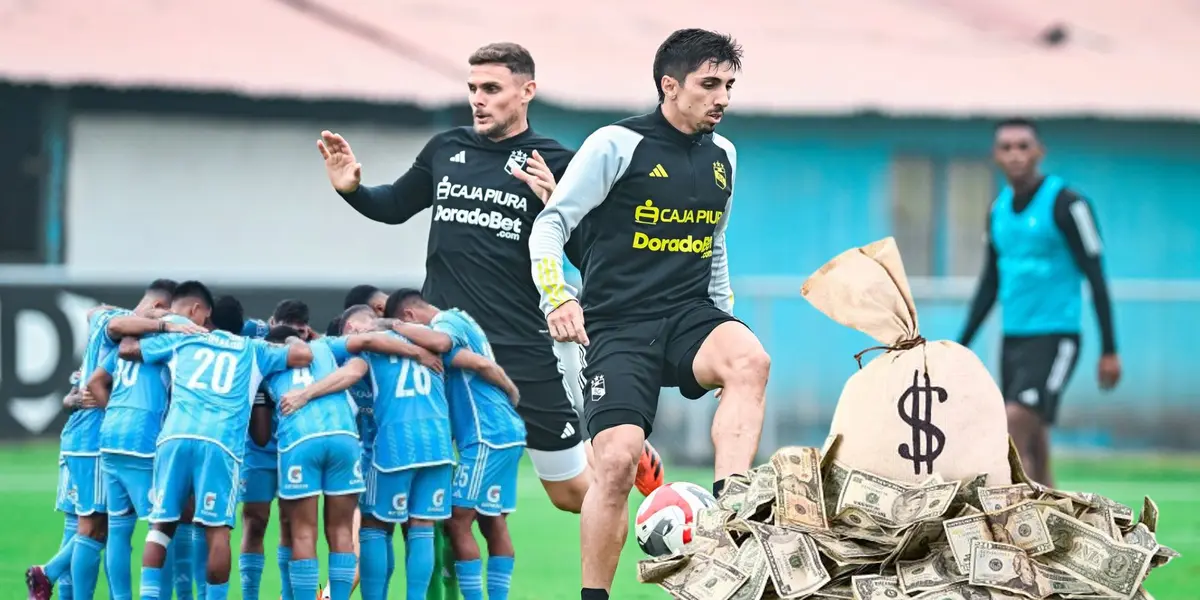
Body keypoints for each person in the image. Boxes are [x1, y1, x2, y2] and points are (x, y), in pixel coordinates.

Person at [318, 42, 665, 524]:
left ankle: (660, 508)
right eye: (473, 88)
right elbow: (395, 205)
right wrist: (353, 190)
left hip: (522, 345)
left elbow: (595, 257)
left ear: (527, 92)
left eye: (491, 89)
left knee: (569, 494)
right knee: (397, 468)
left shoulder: (557, 163)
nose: (478, 99)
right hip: (443, 344)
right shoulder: (446, 148)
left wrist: (553, 207)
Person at [527, 29, 772, 600]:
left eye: (729, 85)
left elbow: (714, 244)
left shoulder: (725, 156)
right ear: (670, 86)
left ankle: (728, 520)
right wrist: (558, 296)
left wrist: (725, 321)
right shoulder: (616, 143)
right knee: (615, 461)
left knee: (750, 359)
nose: (723, 98)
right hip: (619, 324)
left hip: (689, 315)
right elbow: (551, 224)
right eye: (710, 84)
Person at [119, 281, 315, 600]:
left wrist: (150, 318)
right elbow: (303, 354)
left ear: (203, 316)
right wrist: (298, 336)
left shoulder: (184, 339)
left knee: (161, 527)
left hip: (175, 436)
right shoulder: (253, 349)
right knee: (216, 531)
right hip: (220, 443)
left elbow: (128, 348)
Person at [959, 118, 1121, 487]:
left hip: (1056, 337)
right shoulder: (997, 211)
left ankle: (1020, 531)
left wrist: (1110, 349)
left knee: (1011, 428)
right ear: (996, 156)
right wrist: (960, 346)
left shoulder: (1068, 204)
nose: (1015, 155)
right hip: (1013, 339)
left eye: (1023, 146)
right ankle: (1053, 530)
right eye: (1007, 147)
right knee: (1034, 443)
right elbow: (989, 284)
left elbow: (1096, 276)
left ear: (1039, 152)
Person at [25, 278, 180, 600]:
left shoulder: (105, 318)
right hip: (94, 438)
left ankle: (53, 583)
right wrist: (166, 326)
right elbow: (116, 321)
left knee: (82, 525)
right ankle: (48, 573)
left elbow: (95, 311)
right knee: (94, 529)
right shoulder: (120, 325)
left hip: (80, 436)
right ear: (158, 308)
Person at [388, 290, 526, 600]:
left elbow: (457, 353)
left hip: (486, 435)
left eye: (406, 325)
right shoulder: (466, 322)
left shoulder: (446, 322)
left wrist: (394, 328)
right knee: (493, 522)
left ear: (409, 316)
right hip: (503, 433)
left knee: (457, 520)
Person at [87, 312, 206, 600]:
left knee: (118, 530)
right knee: (162, 530)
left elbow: (94, 382)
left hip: (110, 439)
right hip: (142, 441)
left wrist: (115, 412)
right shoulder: (170, 348)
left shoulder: (130, 342)